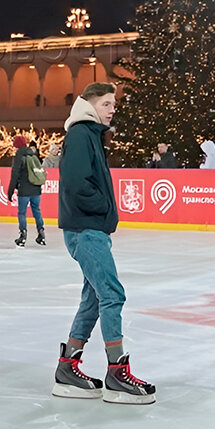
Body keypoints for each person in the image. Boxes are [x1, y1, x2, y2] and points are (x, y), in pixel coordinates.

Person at [53, 82, 155, 405]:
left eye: (114, 104)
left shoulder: (90, 135)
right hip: (86, 229)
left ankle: (68, 366)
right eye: (108, 103)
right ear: (91, 104)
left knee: (94, 299)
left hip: (92, 229)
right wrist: (103, 207)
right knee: (112, 294)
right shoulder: (82, 134)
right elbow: (75, 184)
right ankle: (117, 372)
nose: (113, 109)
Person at [7, 135, 45, 247]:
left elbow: (15, 175)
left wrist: (10, 191)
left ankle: (23, 236)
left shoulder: (19, 156)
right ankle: (41, 233)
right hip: (36, 189)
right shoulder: (33, 155)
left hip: (24, 189)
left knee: (22, 213)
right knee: (36, 210)